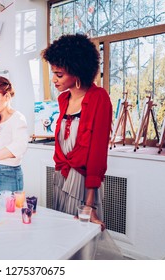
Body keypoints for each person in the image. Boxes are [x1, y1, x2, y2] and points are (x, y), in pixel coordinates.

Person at [41, 33, 112, 231]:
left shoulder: (99, 98)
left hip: (83, 183)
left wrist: (89, 204)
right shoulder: (63, 100)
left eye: (59, 74)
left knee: (80, 238)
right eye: (53, 73)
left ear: (77, 72)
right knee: (60, 234)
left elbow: (97, 154)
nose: (54, 80)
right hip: (61, 176)